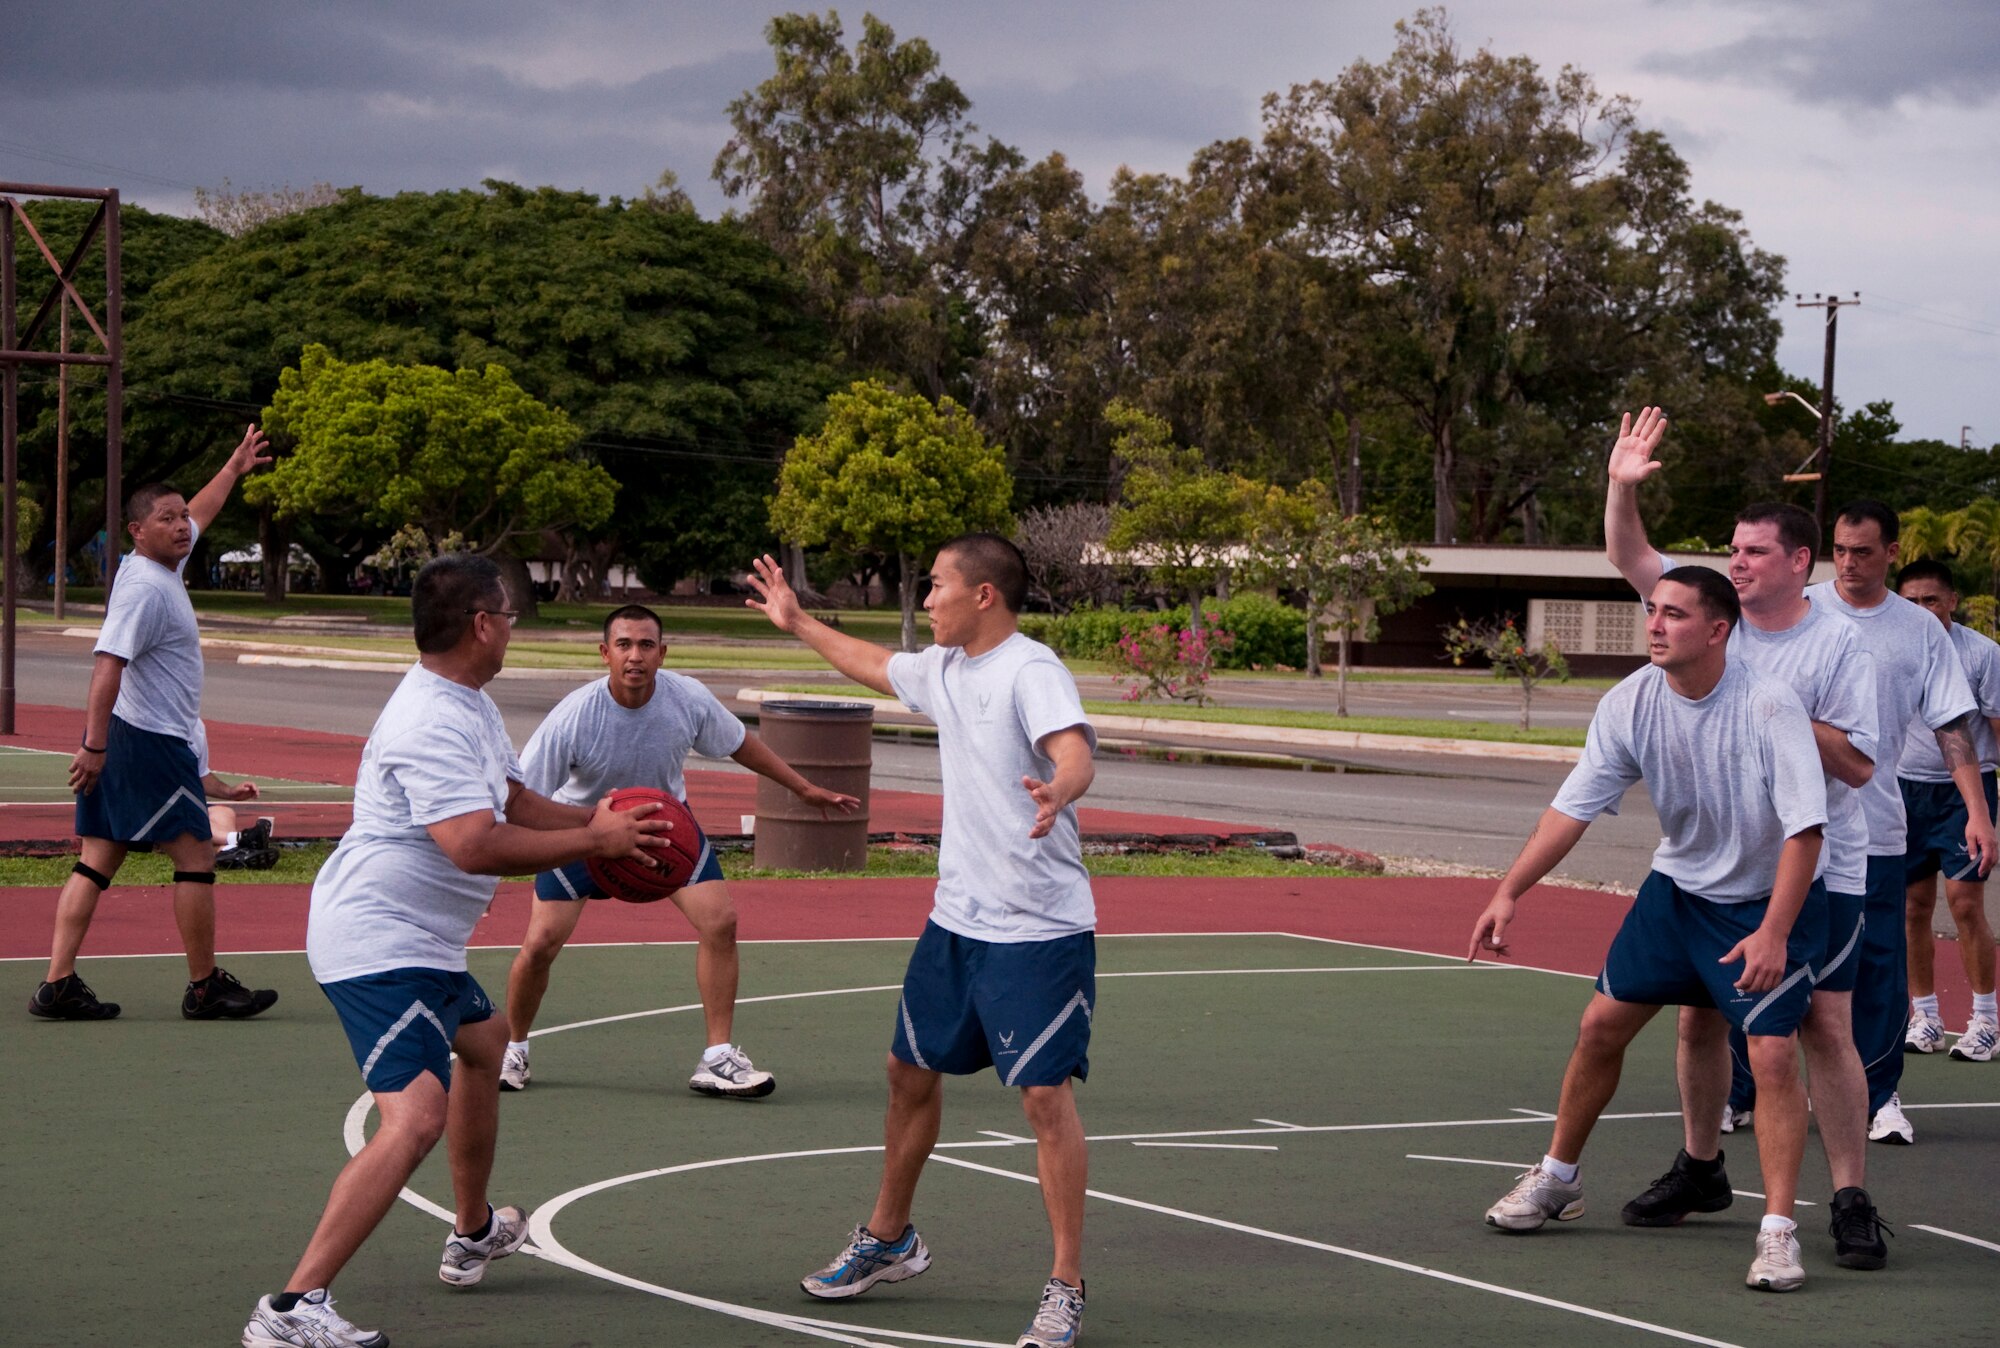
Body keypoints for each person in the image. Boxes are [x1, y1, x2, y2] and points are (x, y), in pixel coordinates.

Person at [242, 554, 669, 1348]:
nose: (513, 626)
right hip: (377, 941)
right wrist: (591, 841)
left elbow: (511, 799)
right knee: (414, 1119)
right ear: (481, 624)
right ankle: (292, 1309)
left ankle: (472, 1229)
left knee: (488, 1044)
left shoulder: (466, 701)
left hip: (422, 941)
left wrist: (594, 824)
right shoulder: (430, 721)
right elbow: (473, 845)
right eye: (508, 614)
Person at [747, 534, 1098, 1348]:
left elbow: (1076, 752)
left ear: (984, 597)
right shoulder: (944, 671)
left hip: (1037, 929)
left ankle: (1066, 1285)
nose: (926, 597)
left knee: (1045, 1099)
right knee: (908, 1071)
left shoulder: (1030, 668)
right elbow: (873, 664)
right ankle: (890, 1238)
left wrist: (1059, 789)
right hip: (957, 920)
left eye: (937, 585)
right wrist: (797, 622)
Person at [1470, 566, 1829, 1293]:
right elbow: (1571, 809)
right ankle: (1559, 1178)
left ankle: (1779, 1234)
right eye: (1652, 611)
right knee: (1601, 1026)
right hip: (1677, 891)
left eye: (1674, 614)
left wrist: (1773, 933)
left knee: (1770, 1055)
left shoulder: (1768, 705)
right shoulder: (1631, 700)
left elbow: (1806, 831)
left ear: (1718, 630)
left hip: (1762, 901)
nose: (1655, 625)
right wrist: (1510, 890)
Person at [1601, 408, 1888, 1267]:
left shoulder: (1836, 646)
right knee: (1697, 1025)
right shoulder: (1703, 615)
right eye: (1732, 550)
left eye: (1755, 551)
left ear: (1800, 562)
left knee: (1823, 1032)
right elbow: (1628, 554)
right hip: (1712, 873)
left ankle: (1847, 1196)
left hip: (1819, 869)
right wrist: (1621, 483)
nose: (1736, 562)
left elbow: (1863, 767)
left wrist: (1770, 712)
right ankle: (1700, 1166)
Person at [498, 603, 860, 1097]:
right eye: (623, 645)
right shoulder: (574, 718)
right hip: (584, 834)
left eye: (646, 645)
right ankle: (513, 1048)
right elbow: (522, 798)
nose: (635, 656)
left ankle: (717, 1057)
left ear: (662, 653)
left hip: (667, 832)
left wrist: (802, 787)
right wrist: (504, 858)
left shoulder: (686, 697)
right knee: (539, 946)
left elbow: (739, 743)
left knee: (721, 922)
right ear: (605, 653)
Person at [31, 427, 279, 1022]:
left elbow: (202, 510)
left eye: (182, 517)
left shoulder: (159, 565)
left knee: (97, 859)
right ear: (138, 532)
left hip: (129, 737)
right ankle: (204, 988)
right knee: (196, 855)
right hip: (143, 741)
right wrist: (94, 747)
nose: (182, 525)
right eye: (167, 519)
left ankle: (57, 985)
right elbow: (106, 664)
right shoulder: (143, 588)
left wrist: (233, 465)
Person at [1804, 501, 1992, 1143]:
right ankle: (1740, 1094)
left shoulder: (1919, 628)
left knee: (1877, 969)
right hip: (1788, 832)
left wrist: (1977, 811)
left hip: (1877, 830)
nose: (1850, 563)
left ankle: (1880, 1097)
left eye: (1863, 551)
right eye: (1841, 550)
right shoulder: (1795, 608)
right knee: (1766, 964)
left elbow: (1952, 727)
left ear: (1890, 551)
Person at [1894, 559, 2000, 1061]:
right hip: (1901, 792)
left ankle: (1985, 1018)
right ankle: (1926, 1016)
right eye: (1910, 601)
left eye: (1930, 600)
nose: (1920, 610)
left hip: (1965, 793)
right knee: (1912, 908)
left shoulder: (1982, 654)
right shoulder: (1890, 650)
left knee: (1963, 904)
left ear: (1952, 601)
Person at [191, 720, 278, 870]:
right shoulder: (147, 724)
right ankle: (241, 839)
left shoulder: (195, 727)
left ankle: (228, 851)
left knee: (224, 813)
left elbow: (200, 775)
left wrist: (230, 792)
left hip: (182, 804)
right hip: (151, 806)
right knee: (188, 816)